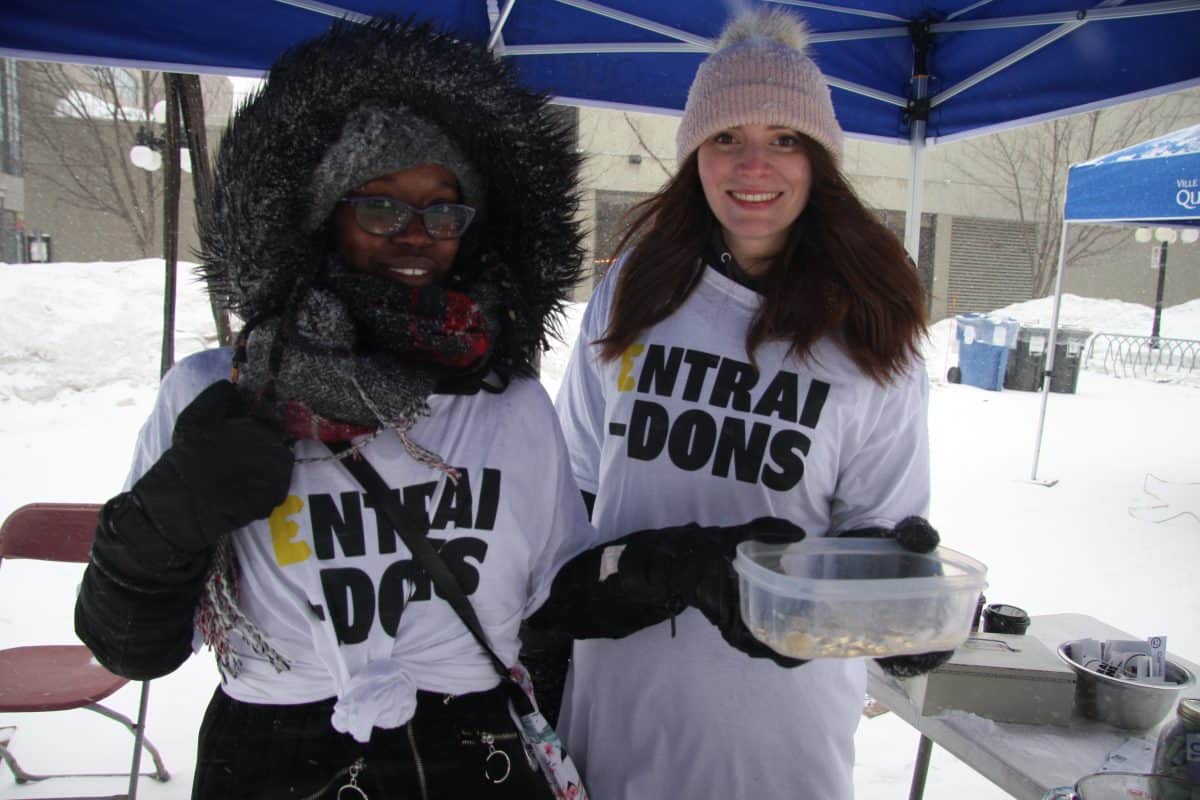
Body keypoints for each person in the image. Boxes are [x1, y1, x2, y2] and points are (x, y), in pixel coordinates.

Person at [74, 17, 595, 800]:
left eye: (443, 213)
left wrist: (672, 572)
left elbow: (557, 601)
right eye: (382, 207)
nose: (417, 235)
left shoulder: (512, 408)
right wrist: (171, 516)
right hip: (279, 763)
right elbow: (128, 647)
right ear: (326, 215)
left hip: (474, 759)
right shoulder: (221, 393)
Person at [526, 8, 947, 800]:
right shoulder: (632, 292)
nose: (755, 165)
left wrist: (906, 616)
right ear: (694, 156)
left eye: (784, 139)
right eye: (727, 138)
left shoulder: (871, 328)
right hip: (620, 720)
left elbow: (878, 547)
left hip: (780, 744)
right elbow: (576, 491)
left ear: (820, 159)